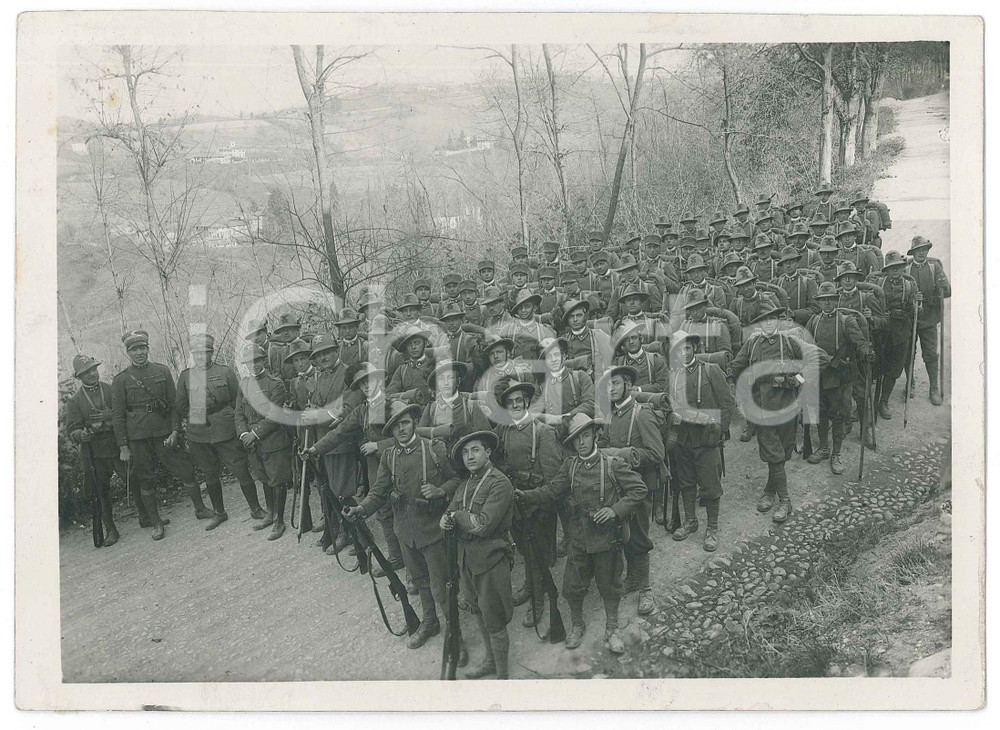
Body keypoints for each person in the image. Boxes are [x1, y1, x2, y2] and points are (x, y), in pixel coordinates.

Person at [515, 413, 646, 654]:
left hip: (607, 538)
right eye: (577, 439)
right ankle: (577, 624)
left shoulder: (612, 463)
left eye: (585, 435)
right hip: (578, 538)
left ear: (594, 435)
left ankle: (612, 628)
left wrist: (614, 510)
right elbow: (552, 490)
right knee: (572, 587)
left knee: (610, 585)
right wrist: (526, 496)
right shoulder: (570, 465)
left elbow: (638, 490)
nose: (582, 442)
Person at [342, 401, 461, 652]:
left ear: (414, 423)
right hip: (406, 531)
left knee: (441, 586)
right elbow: (378, 492)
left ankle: (455, 632)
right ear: (391, 431)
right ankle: (430, 622)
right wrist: (361, 509)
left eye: (405, 423)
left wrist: (441, 491)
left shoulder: (434, 449)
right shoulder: (389, 456)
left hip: (433, 530)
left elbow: (456, 480)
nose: (402, 429)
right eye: (396, 426)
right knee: (419, 580)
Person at [305, 362, 408, 583]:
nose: (367, 387)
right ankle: (397, 557)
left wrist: (377, 446)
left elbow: (408, 436)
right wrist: (314, 449)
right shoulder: (362, 410)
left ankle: (414, 564)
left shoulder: (394, 406)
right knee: (383, 512)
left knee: (405, 511)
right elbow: (338, 433)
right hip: (376, 469)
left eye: (370, 381)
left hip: (401, 465)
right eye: (362, 384)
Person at [730, 307, 830, 522]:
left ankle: (769, 490)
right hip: (762, 408)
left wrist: (799, 380)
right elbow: (736, 367)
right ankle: (785, 501)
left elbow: (821, 359)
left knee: (783, 453)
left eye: (772, 319)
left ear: (778, 321)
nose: (768, 323)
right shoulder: (752, 344)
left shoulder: (790, 342)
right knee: (773, 453)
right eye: (764, 320)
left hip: (788, 406)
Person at [440, 430, 515, 679]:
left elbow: (483, 525)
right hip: (467, 561)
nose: (469, 456)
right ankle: (490, 662)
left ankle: (502, 677)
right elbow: (451, 510)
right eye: (464, 452)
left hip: (490, 560)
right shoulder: (466, 483)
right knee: (478, 612)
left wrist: (457, 517)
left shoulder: (500, 483)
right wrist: (445, 519)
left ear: (488, 452)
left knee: (493, 618)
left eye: (475, 450)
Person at [111, 330, 197, 540]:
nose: (139, 353)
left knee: (185, 470)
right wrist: (123, 446)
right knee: (145, 480)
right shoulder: (120, 380)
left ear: (148, 348)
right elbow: (118, 415)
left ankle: (201, 508)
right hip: (137, 438)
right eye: (134, 350)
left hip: (164, 433)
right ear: (128, 353)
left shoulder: (162, 371)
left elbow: (175, 405)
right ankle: (156, 523)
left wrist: (176, 430)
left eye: (142, 348)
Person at [175, 333, 266, 531]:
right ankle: (219, 513)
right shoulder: (185, 376)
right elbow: (181, 406)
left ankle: (256, 509)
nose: (200, 357)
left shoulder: (225, 372)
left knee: (240, 468)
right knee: (209, 473)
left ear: (211, 353)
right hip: (199, 432)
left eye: (204, 353)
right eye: (196, 353)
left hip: (225, 428)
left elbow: (238, 401)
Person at [493, 380, 564, 629]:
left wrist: (539, 501)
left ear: (526, 403)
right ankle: (530, 585)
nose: (515, 406)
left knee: (537, 552)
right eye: (510, 403)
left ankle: (538, 599)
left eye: (519, 401)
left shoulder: (543, 432)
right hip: (515, 502)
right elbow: (499, 465)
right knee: (524, 548)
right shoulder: (503, 432)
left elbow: (555, 478)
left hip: (538, 504)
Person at [595, 365, 663, 617]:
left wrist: (623, 454)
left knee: (639, 536)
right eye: (607, 386)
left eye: (615, 384)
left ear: (626, 384)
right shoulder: (611, 415)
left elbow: (657, 454)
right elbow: (604, 441)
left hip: (639, 485)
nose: (611, 389)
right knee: (623, 533)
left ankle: (646, 589)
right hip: (617, 485)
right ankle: (633, 577)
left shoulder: (641, 413)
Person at [667, 331, 735, 551]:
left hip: (706, 438)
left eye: (687, 348)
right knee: (686, 481)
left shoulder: (710, 371)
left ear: (694, 348)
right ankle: (690, 521)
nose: (684, 353)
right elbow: (670, 405)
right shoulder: (674, 375)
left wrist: (720, 432)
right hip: (683, 438)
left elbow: (727, 403)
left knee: (710, 485)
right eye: (679, 350)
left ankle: (712, 528)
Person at [804, 283, 873, 474]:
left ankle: (836, 454)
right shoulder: (814, 320)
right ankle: (824, 448)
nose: (826, 303)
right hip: (819, 373)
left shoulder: (846, 320)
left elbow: (859, 340)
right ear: (818, 302)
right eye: (823, 299)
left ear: (836, 300)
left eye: (830, 299)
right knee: (821, 411)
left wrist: (866, 350)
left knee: (840, 415)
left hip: (840, 374)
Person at [309, 332, 364, 553]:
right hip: (323, 443)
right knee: (328, 489)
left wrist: (320, 415)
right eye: (319, 355)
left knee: (343, 490)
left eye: (327, 352)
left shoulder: (348, 373)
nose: (323, 358)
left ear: (336, 350)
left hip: (340, 442)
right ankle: (334, 529)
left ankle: (354, 534)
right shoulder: (320, 377)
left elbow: (349, 409)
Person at [235, 344, 295, 540]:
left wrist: (255, 433)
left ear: (263, 361)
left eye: (256, 361)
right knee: (263, 478)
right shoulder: (244, 384)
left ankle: (279, 521)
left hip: (273, 440)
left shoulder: (275, 383)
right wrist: (244, 434)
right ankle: (270, 513)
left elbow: (274, 414)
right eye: (248, 363)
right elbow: (238, 414)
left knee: (277, 480)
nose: (252, 365)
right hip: (253, 443)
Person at [64, 354, 121, 546]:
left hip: (117, 444)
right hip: (94, 452)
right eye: (86, 373)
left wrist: (110, 414)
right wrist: (81, 435)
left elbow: (123, 413)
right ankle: (111, 529)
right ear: (79, 377)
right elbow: (71, 429)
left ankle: (146, 517)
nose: (91, 375)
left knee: (134, 477)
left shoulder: (110, 389)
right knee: (101, 491)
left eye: (93, 370)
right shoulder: (75, 401)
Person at [868, 251, 921, 419]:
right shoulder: (878, 284)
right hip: (881, 332)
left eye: (898, 267)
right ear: (887, 270)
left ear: (902, 268)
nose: (895, 271)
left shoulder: (910, 285)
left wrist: (918, 304)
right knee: (875, 367)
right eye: (891, 268)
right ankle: (869, 403)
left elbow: (917, 311)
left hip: (901, 332)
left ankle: (883, 401)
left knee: (893, 369)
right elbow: (869, 302)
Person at [903, 236, 951, 405]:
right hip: (910, 318)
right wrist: (911, 297)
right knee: (908, 353)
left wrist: (942, 288)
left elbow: (947, 291)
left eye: (924, 249)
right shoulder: (906, 269)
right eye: (918, 250)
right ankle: (910, 384)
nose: (921, 252)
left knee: (930, 354)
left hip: (929, 318)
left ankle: (934, 388)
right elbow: (901, 294)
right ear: (913, 252)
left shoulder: (934, 266)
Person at [417, 359, 491, 452]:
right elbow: (419, 435)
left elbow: (486, 439)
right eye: (441, 378)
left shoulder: (472, 406)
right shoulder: (431, 408)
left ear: (458, 381)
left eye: (450, 377)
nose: (446, 382)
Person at [774, 247, 820, 326]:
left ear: (798, 264)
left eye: (791, 262)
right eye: (785, 263)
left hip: (802, 326)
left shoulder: (808, 283)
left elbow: (815, 309)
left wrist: (794, 314)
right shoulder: (776, 283)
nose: (788, 265)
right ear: (782, 265)